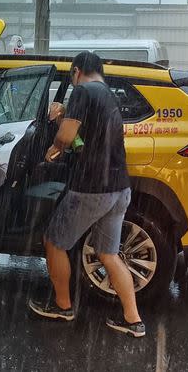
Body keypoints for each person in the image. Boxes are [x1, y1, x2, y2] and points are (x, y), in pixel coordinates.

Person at [28, 51, 145, 338]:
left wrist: (53, 149)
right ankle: (133, 320)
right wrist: (64, 123)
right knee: (108, 254)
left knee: (54, 242)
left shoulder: (82, 91)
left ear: (76, 71)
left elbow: (68, 138)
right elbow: (84, 142)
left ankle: (62, 305)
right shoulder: (108, 94)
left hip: (92, 188)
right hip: (119, 188)